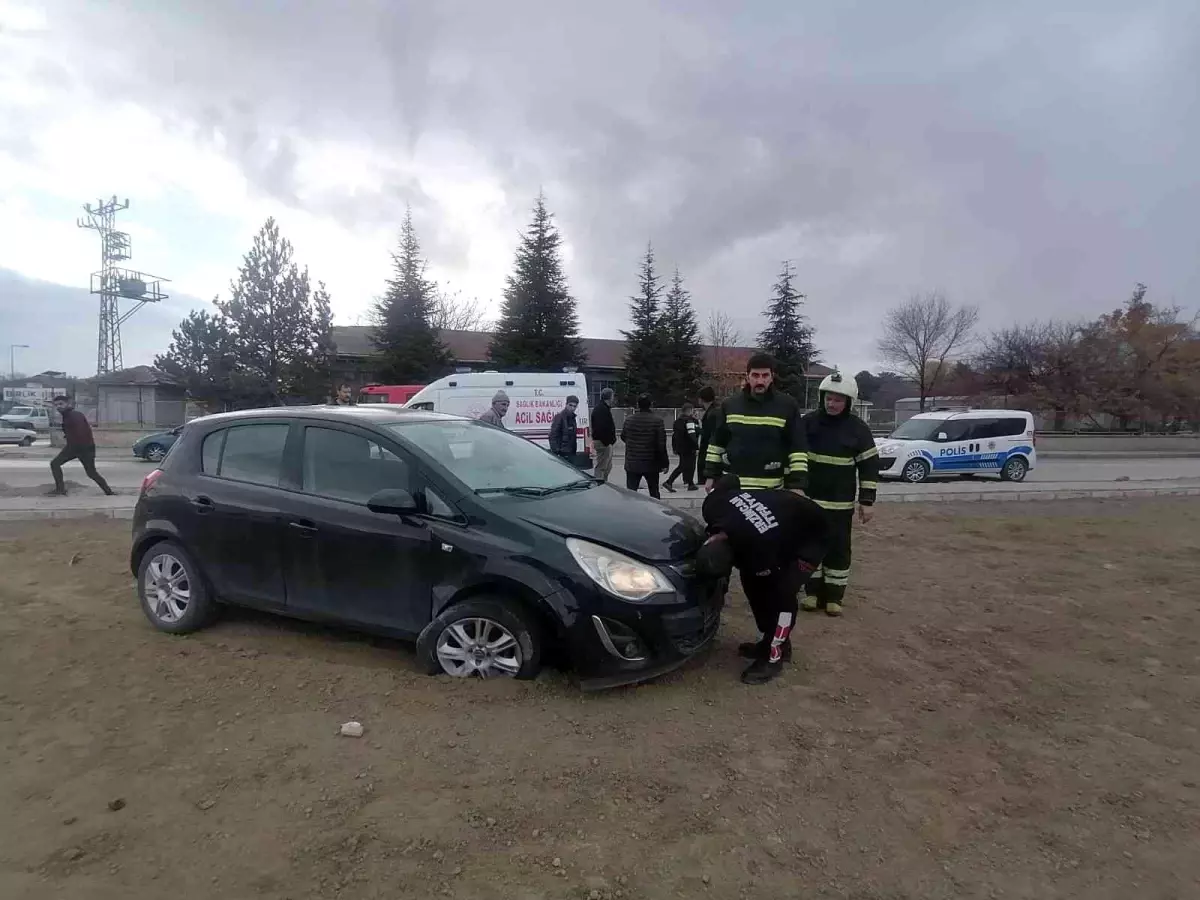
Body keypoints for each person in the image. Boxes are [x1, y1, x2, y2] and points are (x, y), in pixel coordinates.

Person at [697, 475, 829, 685]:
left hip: (812, 533)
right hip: (780, 516)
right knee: (753, 583)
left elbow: (770, 579)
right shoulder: (713, 506)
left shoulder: (760, 551)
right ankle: (769, 639)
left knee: (782, 593)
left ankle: (775, 655)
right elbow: (730, 479)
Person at [799, 371, 881, 617]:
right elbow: (794, 455)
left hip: (840, 505)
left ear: (848, 403)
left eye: (838, 400)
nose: (831, 404)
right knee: (809, 547)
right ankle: (812, 592)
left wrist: (867, 501)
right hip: (809, 502)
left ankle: (834, 597)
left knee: (838, 549)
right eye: (828, 398)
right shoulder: (808, 423)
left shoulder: (858, 429)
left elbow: (869, 465)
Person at [702, 353, 808, 494]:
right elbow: (717, 444)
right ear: (747, 376)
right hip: (734, 489)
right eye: (755, 375)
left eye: (765, 376)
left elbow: (798, 449)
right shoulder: (730, 405)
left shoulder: (787, 406)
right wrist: (711, 475)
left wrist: (797, 484)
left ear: (772, 377)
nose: (760, 380)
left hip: (772, 489)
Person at [48, 396, 115, 497]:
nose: (58, 407)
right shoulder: (68, 415)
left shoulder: (74, 415)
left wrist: (74, 445)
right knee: (55, 464)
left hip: (82, 448)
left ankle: (61, 490)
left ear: (68, 404)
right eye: (56, 405)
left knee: (90, 473)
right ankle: (108, 492)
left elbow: (81, 432)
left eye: (61, 404)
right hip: (80, 447)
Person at [620, 394, 669, 497]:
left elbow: (623, 437)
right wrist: (665, 463)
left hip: (632, 462)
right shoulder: (657, 421)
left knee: (631, 493)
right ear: (650, 405)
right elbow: (661, 444)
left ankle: (630, 512)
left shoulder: (629, 420)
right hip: (651, 462)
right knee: (654, 493)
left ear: (638, 405)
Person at [664, 401, 700, 492]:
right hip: (689, 447)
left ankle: (690, 483)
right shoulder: (689, 420)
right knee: (685, 466)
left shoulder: (677, 421)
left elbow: (674, 436)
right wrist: (697, 446)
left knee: (687, 465)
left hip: (681, 447)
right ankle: (669, 482)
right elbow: (692, 434)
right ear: (690, 410)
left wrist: (674, 448)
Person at [591, 387, 617, 482]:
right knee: (602, 466)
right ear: (609, 397)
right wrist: (607, 442)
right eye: (613, 396)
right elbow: (601, 428)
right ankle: (599, 483)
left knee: (607, 466)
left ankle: (603, 482)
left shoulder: (603, 408)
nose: (613, 398)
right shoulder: (601, 410)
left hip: (605, 442)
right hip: (603, 442)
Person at [548, 395, 580, 462]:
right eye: (570, 405)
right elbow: (553, 435)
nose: (572, 408)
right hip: (562, 453)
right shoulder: (560, 417)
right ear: (566, 404)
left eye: (574, 406)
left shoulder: (572, 418)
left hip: (571, 452)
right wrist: (556, 452)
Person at [697, 385, 719, 470]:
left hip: (709, 454)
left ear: (701, 399)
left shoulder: (712, 414)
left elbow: (708, 436)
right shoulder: (716, 410)